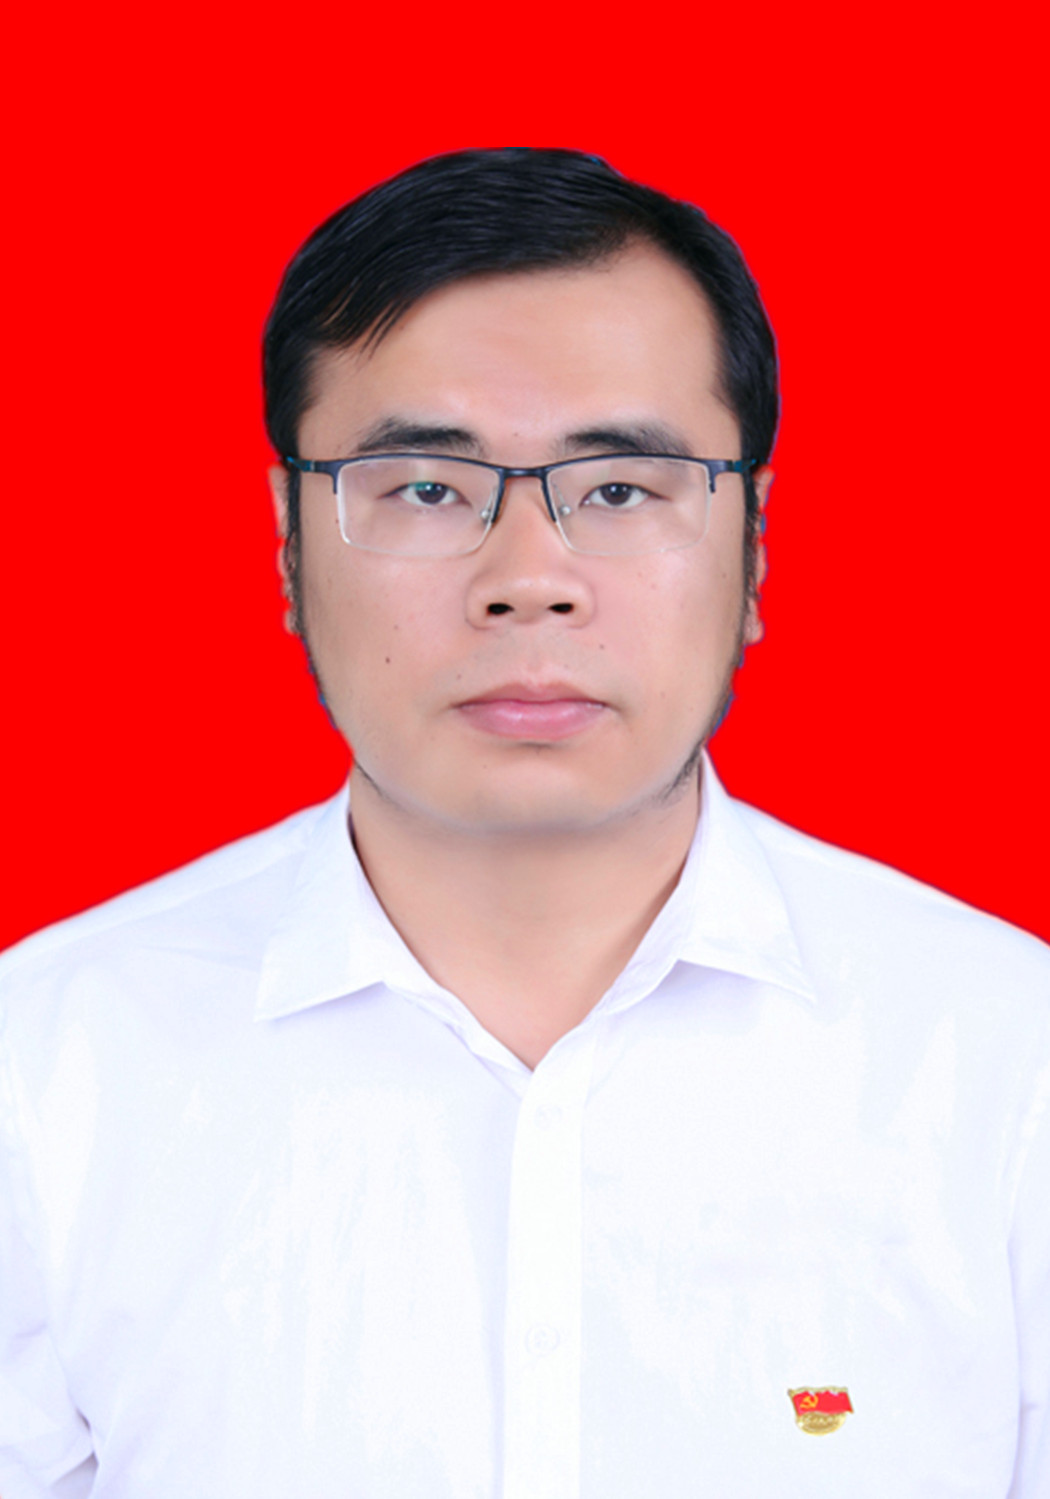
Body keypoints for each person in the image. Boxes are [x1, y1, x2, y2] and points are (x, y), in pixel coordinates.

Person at [1, 147, 1047, 1499]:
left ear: (753, 547)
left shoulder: (1006, 1066)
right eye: (426, 489)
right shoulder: (46, 1072)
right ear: (288, 543)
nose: (528, 581)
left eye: (618, 490)